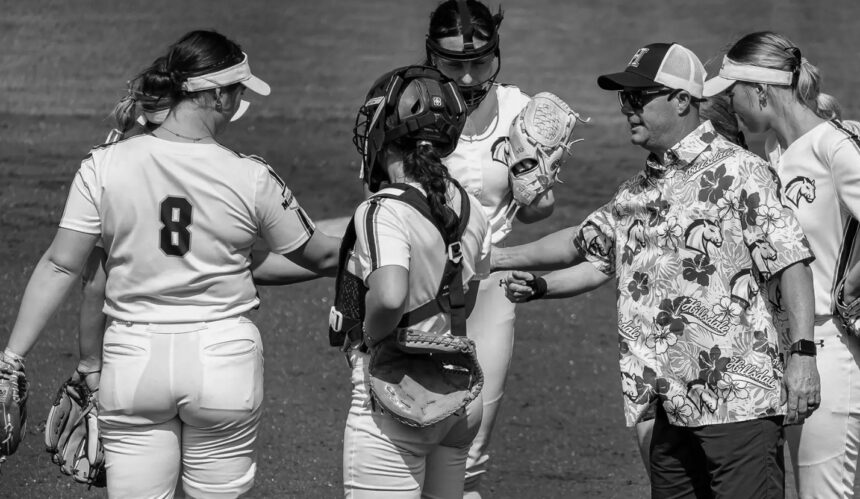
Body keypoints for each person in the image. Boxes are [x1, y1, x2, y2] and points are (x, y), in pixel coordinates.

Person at [2, 29, 341, 498]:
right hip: (224, 365)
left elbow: (63, 268)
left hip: (134, 365)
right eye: (239, 90)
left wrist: (12, 358)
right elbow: (319, 253)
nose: (241, 101)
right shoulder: (251, 176)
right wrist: (388, 237)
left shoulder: (102, 166)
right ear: (219, 95)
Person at [493, 42, 820, 498]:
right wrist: (503, 262)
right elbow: (585, 249)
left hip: (738, 403)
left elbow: (792, 262)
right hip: (669, 405)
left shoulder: (741, 171)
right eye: (623, 99)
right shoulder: (637, 192)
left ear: (683, 100)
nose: (627, 110)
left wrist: (803, 355)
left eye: (638, 98)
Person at [703, 31, 860, 498]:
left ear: (760, 91)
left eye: (731, 93)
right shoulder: (773, 154)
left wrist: (853, 281)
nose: (729, 105)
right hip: (793, 348)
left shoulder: (833, 146)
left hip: (832, 347)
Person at [424, 2, 557, 495]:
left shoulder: (521, 111)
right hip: (419, 280)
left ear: (495, 54)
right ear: (431, 54)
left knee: (472, 440)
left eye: (479, 61)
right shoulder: (406, 103)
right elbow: (379, 201)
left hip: (491, 281)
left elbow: (540, 209)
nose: (466, 74)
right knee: (408, 424)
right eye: (453, 62)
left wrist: (533, 181)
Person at [341, 64, 491, 498]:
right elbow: (469, 296)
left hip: (397, 397)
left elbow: (389, 296)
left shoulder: (381, 209)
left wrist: (368, 339)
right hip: (458, 398)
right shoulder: (470, 206)